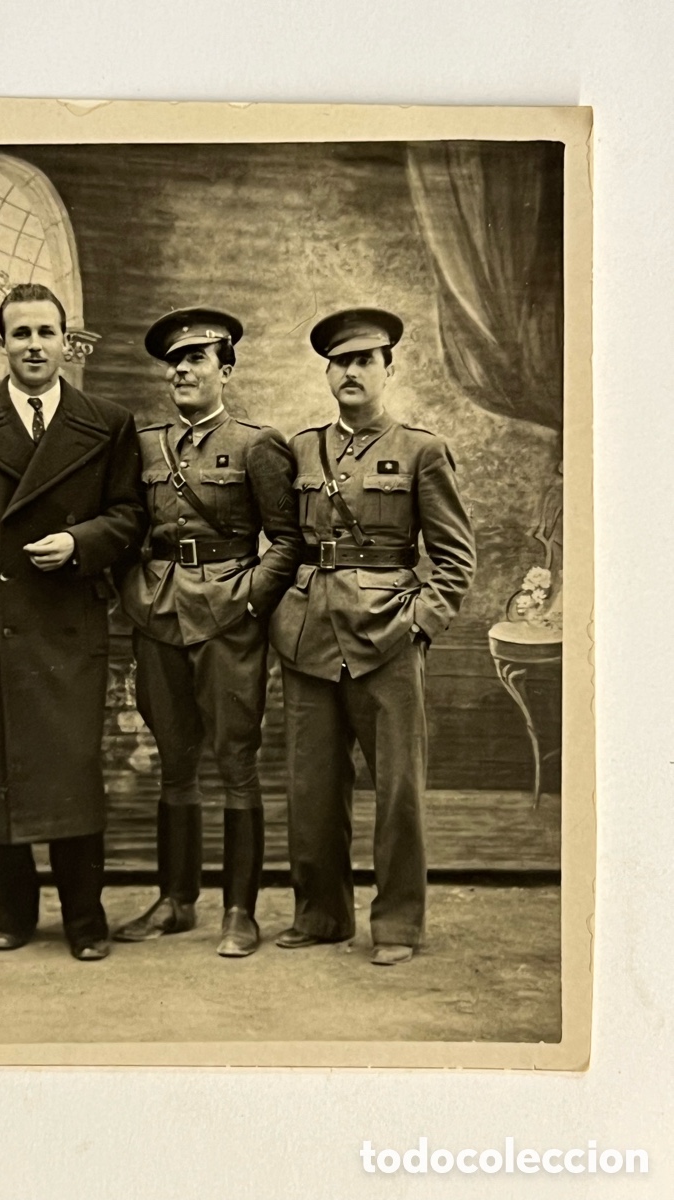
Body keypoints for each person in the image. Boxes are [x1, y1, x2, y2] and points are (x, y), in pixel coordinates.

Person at [0, 283, 146, 961]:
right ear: (2, 343)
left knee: (73, 773)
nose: (35, 346)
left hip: (69, 623)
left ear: (67, 342)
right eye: (22, 334)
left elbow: (131, 516)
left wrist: (81, 544)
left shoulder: (106, 421)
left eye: (47, 333)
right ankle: (13, 912)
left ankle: (85, 921)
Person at [269, 308, 476, 965]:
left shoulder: (422, 450)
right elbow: (284, 541)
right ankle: (323, 914)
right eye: (341, 362)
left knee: (398, 790)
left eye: (365, 360)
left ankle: (397, 926)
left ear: (389, 369)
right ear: (328, 373)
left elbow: (454, 557)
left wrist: (421, 622)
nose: (352, 371)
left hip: (387, 635)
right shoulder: (301, 450)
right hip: (308, 635)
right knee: (310, 786)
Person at [114, 307, 303, 957]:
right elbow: (126, 529)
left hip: (227, 616)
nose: (183, 371)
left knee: (236, 762)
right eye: (175, 362)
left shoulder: (257, 444)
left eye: (197, 359)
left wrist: (251, 600)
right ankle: (174, 901)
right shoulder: (143, 445)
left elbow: (287, 539)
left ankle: (239, 911)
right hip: (157, 615)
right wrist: (131, 598)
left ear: (227, 370)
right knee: (174, 761)